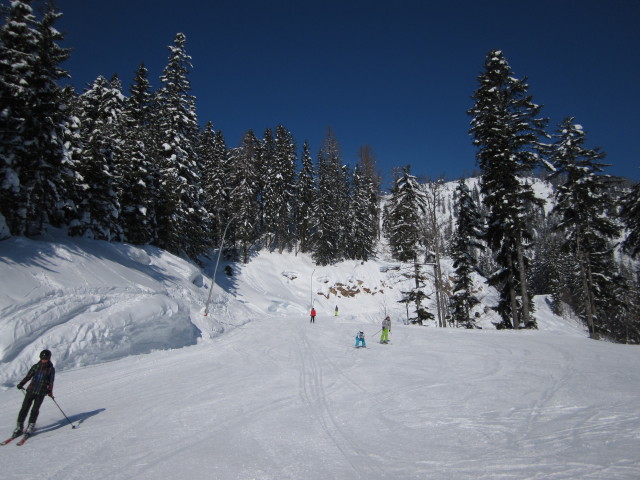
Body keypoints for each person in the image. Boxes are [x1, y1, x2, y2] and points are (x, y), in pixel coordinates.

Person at [12, 349, 55, 437]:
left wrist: (50, 391)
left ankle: (31, 426)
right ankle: (19, 427)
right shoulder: (35, 366)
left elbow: (51, 381)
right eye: (42, 358)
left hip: (41, 392)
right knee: (24, 408)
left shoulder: (51, 369)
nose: (43, 360)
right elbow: (28, 376)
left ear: (49, 358)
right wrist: (21, 384)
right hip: (31, 390)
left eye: (45, 359)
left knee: (35, 410)